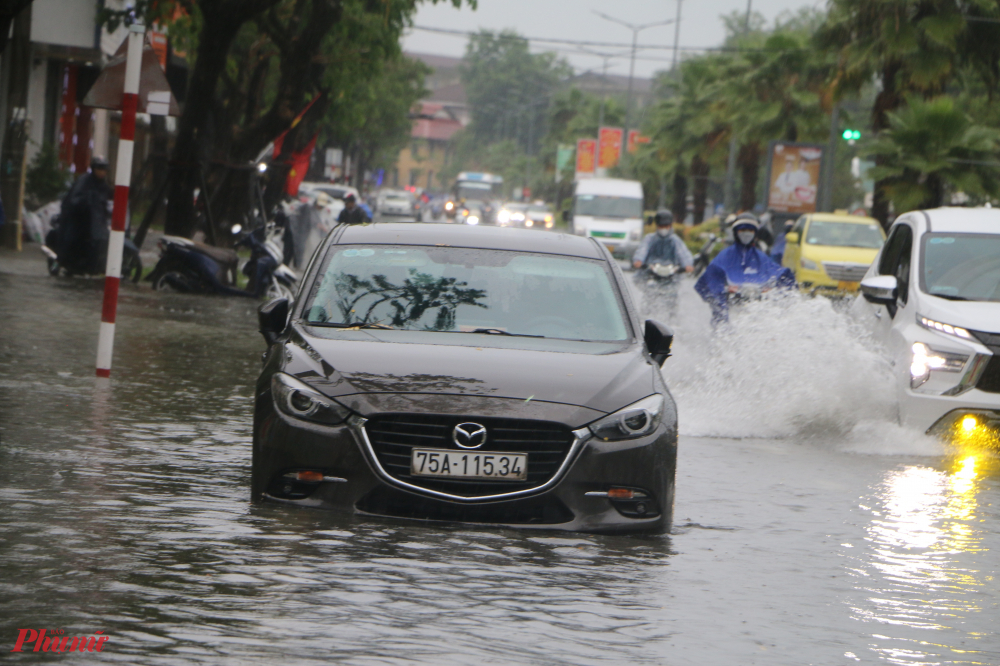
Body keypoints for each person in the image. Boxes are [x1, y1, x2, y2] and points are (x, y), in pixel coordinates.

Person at [695, 212, 795, 324]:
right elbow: (708, 280)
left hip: (754, 308)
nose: (746, 234)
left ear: (755, 233)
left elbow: (778, 273)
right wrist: (721, 293)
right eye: (742, 230)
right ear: (736, 232)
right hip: (729, 306)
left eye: (750, 231)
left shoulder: (760, 256)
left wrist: (779, 291)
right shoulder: (725, 255)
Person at [54, 155, 112, 274]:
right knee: (72, 238)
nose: (102, 172)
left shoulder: (103, 185)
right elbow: (74, 200)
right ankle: (62, 263)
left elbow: (107, 201)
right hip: (77, 217)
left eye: (104, 169)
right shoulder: (84, 180)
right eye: (99, 169)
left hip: (94, 220)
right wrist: (85, 203)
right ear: (93, 169)